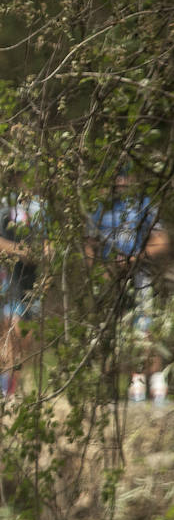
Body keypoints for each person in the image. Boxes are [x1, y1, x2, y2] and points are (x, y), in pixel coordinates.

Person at [87, 167, 170, 404]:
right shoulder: (100, 208)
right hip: (110, 281)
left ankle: (150, 382)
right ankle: (108, 388)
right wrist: (100, 270)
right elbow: (89, 244)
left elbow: (161, 240)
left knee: (145, 329)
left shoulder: (143, 204)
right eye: (117, 176)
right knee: (108, 333)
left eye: (125, 176)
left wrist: (136, 258)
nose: (121, 181)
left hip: (139, 277)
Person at [0, 189, 45, 397]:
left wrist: (39, 254)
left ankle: (15, 382)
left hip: (32, 281)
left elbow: (49, 244)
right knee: (10, 330)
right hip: (9, 278)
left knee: (25, 337)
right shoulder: (3, 205)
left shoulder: (40, 207)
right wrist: (20, 251)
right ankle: (5, 388)